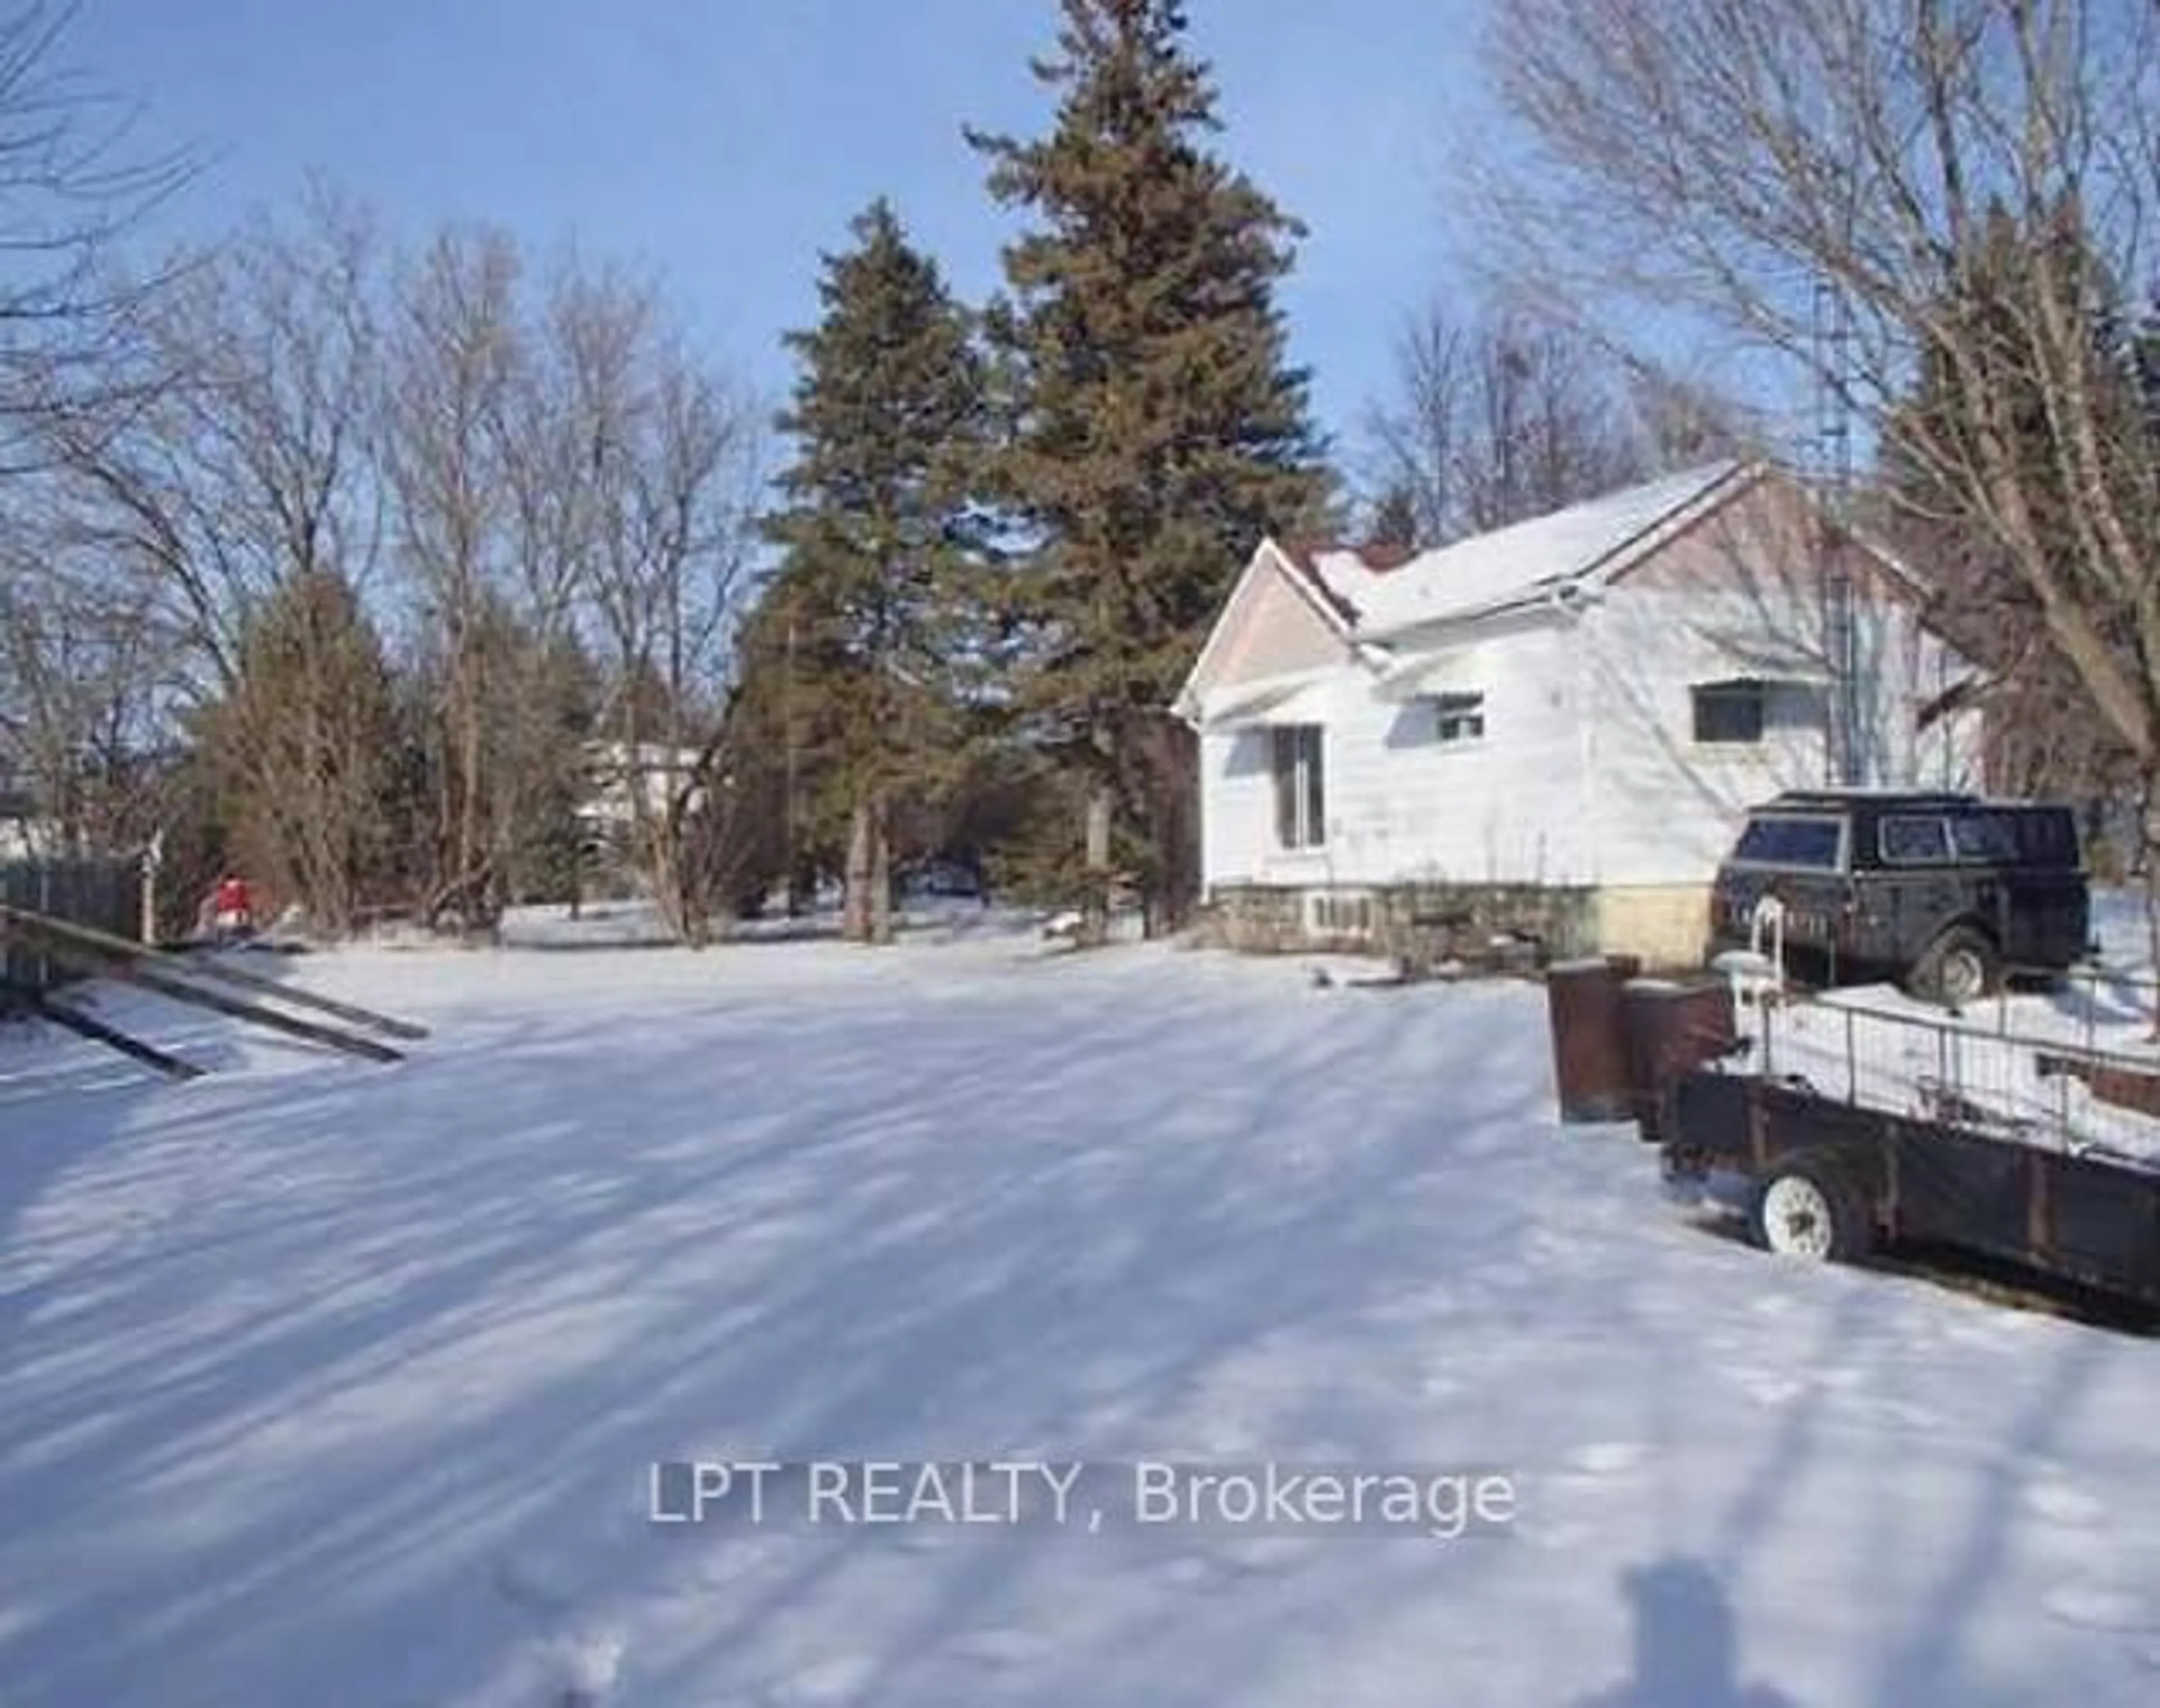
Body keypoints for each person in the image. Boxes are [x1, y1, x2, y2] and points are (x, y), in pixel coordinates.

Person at [210, 871, 255, 945]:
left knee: (223, 933)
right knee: (240, 934)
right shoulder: (240, 888)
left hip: (227, 913)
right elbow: (242, 901)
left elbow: (222, 901)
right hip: (238, 913)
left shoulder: (223, 888)